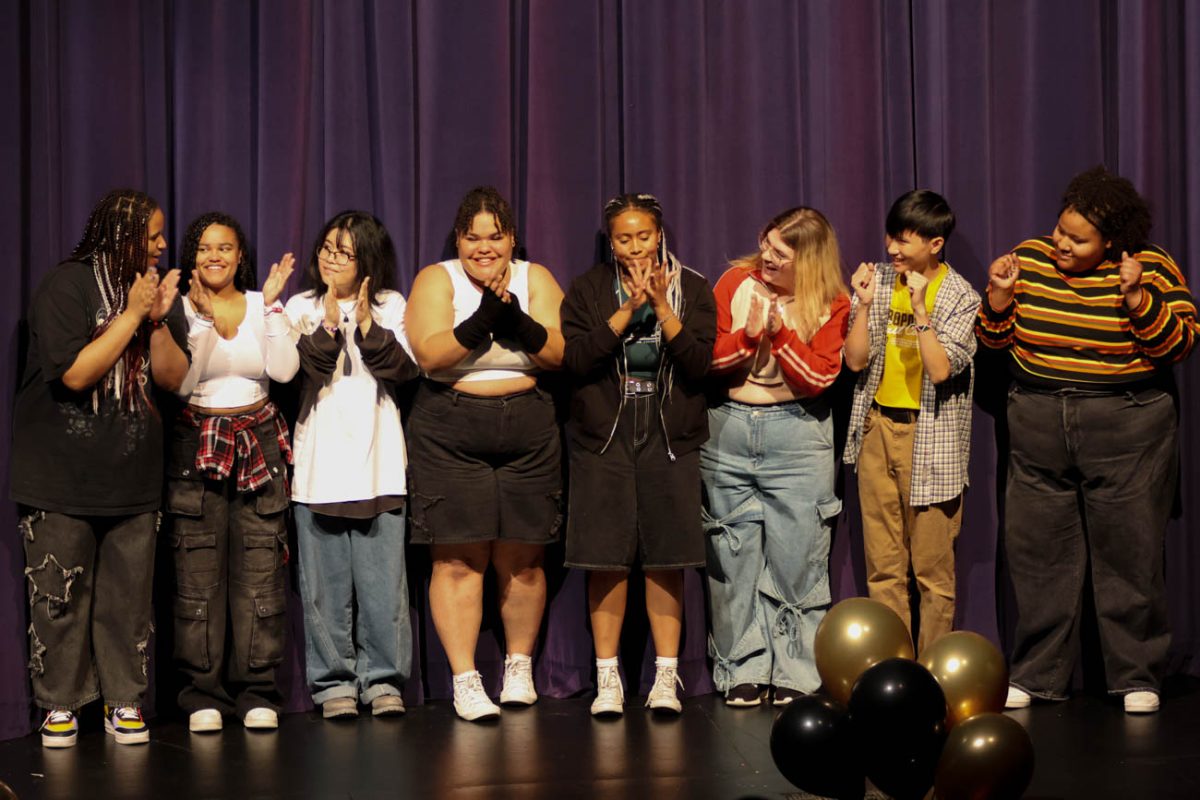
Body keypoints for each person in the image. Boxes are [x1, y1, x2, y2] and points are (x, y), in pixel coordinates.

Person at [978, 166, 1198, 715]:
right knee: (1038, 557)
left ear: (1112, 242)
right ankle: (1037, 674)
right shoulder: (1028, 258)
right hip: (1038, 419)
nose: (1062, 244)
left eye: (1077, 239)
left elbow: (1180, 343)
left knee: (1130, 554)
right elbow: (993, 341)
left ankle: (1135, 675)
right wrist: (1000, 300)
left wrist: (1136, 299)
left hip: (1126, 423)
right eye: (1060, 231)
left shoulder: (1150, 266)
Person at [13, 189, 189, 747]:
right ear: (122, 236)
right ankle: (60, 705)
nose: (162, 245)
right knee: (59, 595)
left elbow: (171, 378)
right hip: (62, 475)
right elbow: (74, 375)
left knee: (127, 599)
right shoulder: (66, 286)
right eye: (153, 234)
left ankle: (123, 701)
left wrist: (156, 321)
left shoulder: (149, 293)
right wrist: (133, 314)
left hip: (133, 475)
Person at [405, 186, 565, 722]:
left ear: (511, 238)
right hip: (451, 426)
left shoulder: (534, 277)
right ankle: (466, 680)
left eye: (494, 236)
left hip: (529, 426)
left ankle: (518, 667)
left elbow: (560, 352)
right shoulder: (437, 277)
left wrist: (517, 320)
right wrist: (480, 324)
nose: (483, 247)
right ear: (458, 240)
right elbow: (429, 353)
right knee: (456, 558)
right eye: (472, 237)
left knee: (524, 556)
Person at [562, 193, 716, 717]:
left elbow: (699, 366)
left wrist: (665, 309)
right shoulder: (586, 290)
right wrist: (626, 310)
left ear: (660, 235)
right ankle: (609, 679)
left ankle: (665, 678)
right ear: (612, 241)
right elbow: (576, 360)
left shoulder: (693, 288)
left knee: (666, 561)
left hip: (668, 435)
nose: (634, 247)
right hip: (605, 435)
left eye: (643, 236)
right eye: (623, 238)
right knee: (604, 561)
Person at [703, 207, 848, 707]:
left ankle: (794, 669)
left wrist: (780, 334)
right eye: (766, 244)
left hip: (798, 432)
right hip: (729, 426)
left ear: (807, 260)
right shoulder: (735, 283)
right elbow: (709, 362)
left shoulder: (831, 301)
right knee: (731, 555)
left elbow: (820, 378)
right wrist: (748, 336)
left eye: (780, 253)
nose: (766, 256)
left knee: (799, 554)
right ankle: (739, 666)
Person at [285, 211, 420, 720]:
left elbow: (403, 371)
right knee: (323, 588)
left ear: (367, 258)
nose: (330, 258)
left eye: (344, 251)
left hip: (379, 463)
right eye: (326, 247)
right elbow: (305, 369)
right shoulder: (299, 307)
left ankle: (384, 680)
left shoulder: (391, 305)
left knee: (384, 585)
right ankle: (333, 683)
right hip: (318, 465)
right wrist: (329, 322)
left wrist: (364, 322)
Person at [167, 212, 299, 732]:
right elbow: (181, 384)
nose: (214, 256)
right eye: (203, 248)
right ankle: (202, 692)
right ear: (192, 256)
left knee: (260, 568)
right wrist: (198, 321)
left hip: (258, 442)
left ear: (240, 254)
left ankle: (257, 689)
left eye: (224, 248)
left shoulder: (258, 303)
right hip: (195, 442)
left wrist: (270, 306)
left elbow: (284, 371)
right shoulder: (178, 308)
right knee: (197, 572)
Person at [842, 190, 979, 655]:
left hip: (931, 436)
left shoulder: (960, 296)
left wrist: (921, 311)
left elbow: (941, 371)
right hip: (878, 429)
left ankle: (934, 675)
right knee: (883, 567)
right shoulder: (878, 281)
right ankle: (894, 670)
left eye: (904, 240)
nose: (892, 249)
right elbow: (855, 361)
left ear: (935, 244)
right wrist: (861, 305)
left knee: (932, 573)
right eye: (890, 237)